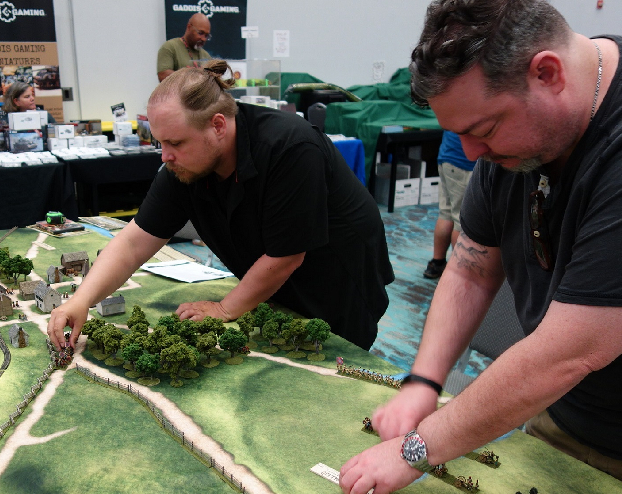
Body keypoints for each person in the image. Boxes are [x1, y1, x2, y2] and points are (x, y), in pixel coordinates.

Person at [339, 0, 622, 494]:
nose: (471, 153)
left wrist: (414, 450)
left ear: (547, 73)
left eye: (484, 129)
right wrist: (424, 382)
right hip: (564, 417)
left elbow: (569, 352)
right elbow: (470, 269)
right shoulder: (513, 141)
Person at [48, 60, 394, 351]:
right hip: (274, 286)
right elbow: (134, 241)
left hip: (338, 284)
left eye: (175, 142)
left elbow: (287, 256)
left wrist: (225, 309)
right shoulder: (184, 165)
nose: (165, 156)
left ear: (217, 125)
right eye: (160, 143)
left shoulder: (290, 147)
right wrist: (82, 300)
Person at [423, 131, 475, 279]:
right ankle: (458, 271)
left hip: (447, 158)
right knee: (461, 221)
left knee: (446, 214)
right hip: (463, 162)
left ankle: (437, 263)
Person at [157, 13, 212, 82]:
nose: (203, 39)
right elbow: (163, 76)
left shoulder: (206, 56)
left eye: (206, 36)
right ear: (189, 27)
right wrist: (192, 77)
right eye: (200, 33)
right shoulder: (170, 47)